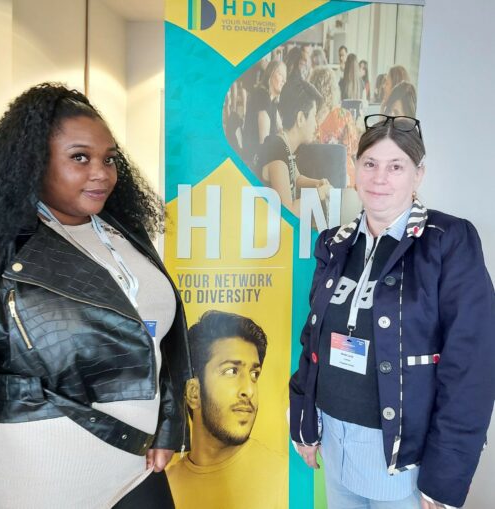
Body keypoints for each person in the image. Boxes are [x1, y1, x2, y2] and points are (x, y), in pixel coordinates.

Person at [0, 83, 192, 508]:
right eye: (79, 158)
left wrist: (169, 424)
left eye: (109, 159)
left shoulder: (121, 232)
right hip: (45, 466)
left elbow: (163, 341)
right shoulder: (7, 246)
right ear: (33, 162)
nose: (101, 172)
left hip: (138, 460)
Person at [290, 115, 494, 509]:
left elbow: (472, 365)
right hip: (335, 442)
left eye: (395, 166)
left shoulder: (447, 242)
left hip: (404, 461)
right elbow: (312, 338)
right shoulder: (334, 243)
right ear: (355, 172)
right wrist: (304, 425)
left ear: (418, 175)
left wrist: (446, 474)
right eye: (369, 164)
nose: (380, 177)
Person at [167, 310, 287, 509]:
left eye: (254, 374)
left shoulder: (284, 478)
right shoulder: (165, 487)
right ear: (194, 393)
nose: (249, 390)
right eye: (231, 371)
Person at [257, 79, 330, 217]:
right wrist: (319, 194)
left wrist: (317, 183)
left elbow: (296, 178)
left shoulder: (283, 144)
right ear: (301, 118)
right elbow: (288, 211)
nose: (316, 124)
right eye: (314, 116)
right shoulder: (277, 152)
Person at [310, 65, 359, 187]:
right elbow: (353, 148)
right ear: (333, 89)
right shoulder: (344, 115)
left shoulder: (308, 117)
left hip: (313, 176)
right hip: (342, 178)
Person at [241, 60, 287, 166]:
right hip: (255, 162)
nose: (284, 80)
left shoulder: (272, 101)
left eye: (285, 76)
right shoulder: (262, 97)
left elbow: (282, 132)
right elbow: (264, 141)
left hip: (260, 158)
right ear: (270, 74)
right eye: (280, 74)